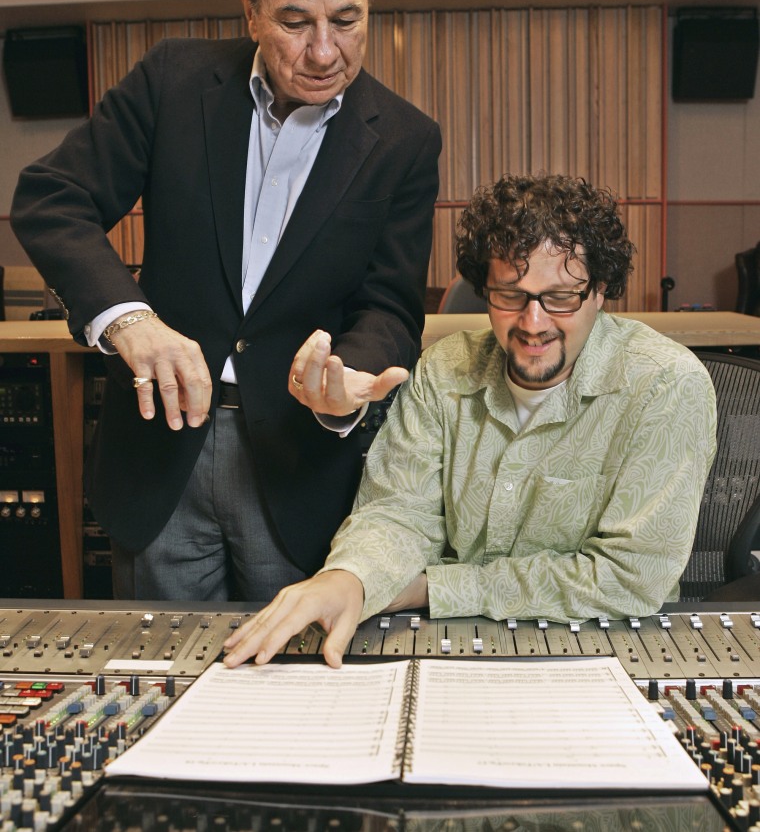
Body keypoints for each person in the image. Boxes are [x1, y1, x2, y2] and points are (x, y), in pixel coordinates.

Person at [10, 0, 442, 601]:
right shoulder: (172, 79)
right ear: (250, 13)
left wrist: (344, 384)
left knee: (295, 689)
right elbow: (52, 196)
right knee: (167, 684)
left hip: (300, 462)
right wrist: (131, 321)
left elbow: (388, 305)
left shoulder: (406, 139)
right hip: (160, 455)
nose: (325, 51)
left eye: (347, 19)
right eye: (295, 22)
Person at [223, 172, 718, 669]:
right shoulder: (444, 369)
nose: (534, 322)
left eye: (561, 297)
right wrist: (351, 576)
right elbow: (398, 511)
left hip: (605, 651)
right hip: (451, 645)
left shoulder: (666, 386)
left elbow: (629, 578)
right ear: (484, 290)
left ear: (600, 289)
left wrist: (429, 588)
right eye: (510, 295)